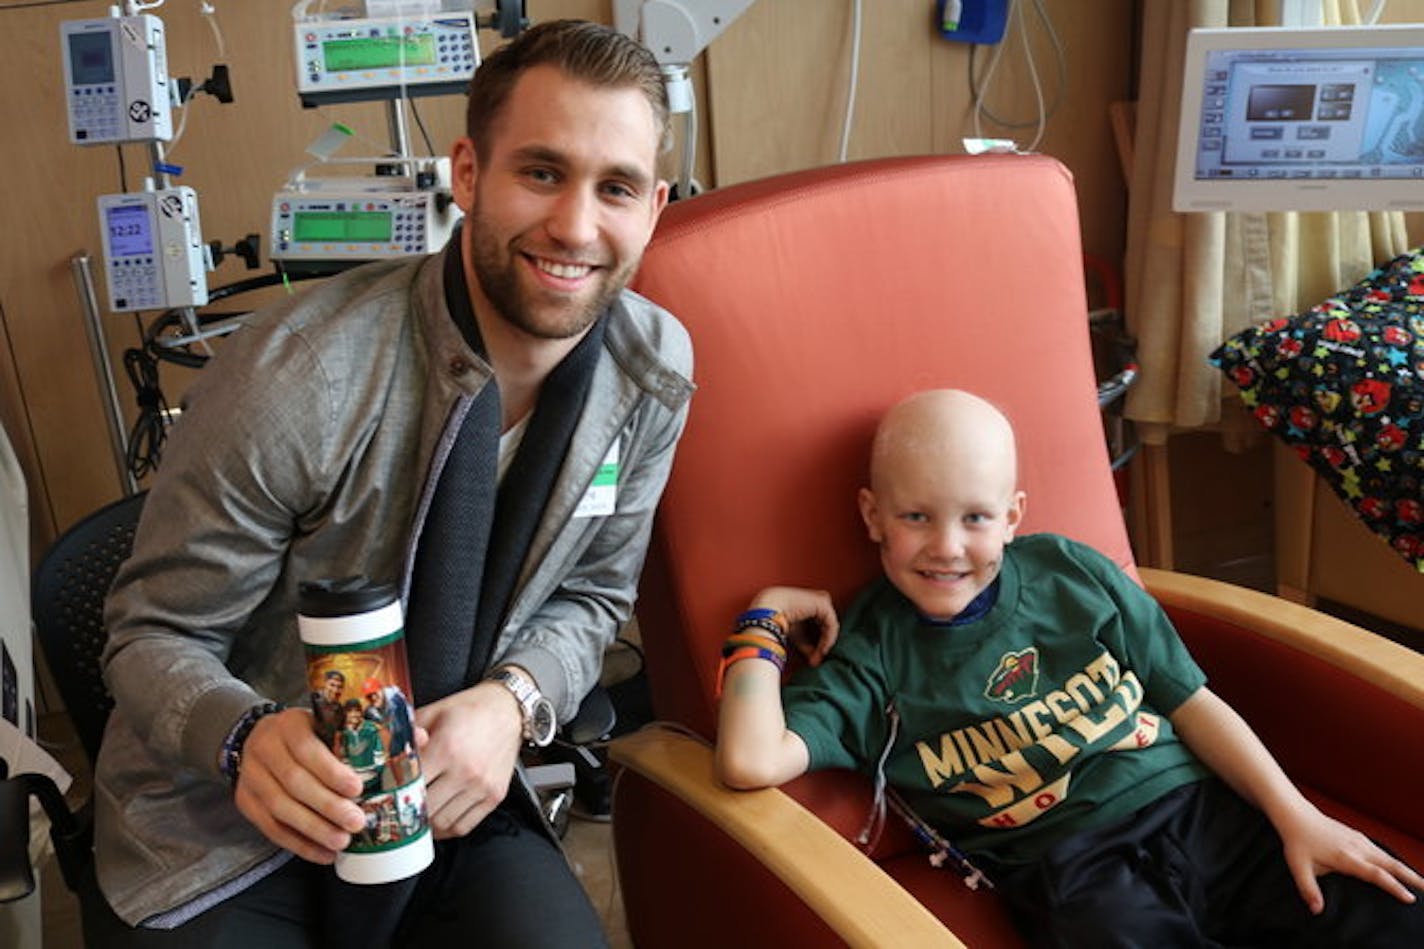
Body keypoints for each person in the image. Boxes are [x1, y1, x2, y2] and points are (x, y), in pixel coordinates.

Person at [92, 19, 691, 947]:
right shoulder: (297, 379)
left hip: (456, 794)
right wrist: (243, 735)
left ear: (653, 207)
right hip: (227, 822)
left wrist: (513, 703)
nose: (576, 225)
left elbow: (593, 597)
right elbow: (149, 633)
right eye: (540, 171)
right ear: (467, 175)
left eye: (613, 187)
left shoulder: (651, 374)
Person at [715, 389, 1423, 948]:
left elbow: (1190, 700)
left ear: (1013, 514)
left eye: (976, 517)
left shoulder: (1069, 572)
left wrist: (1297, 815)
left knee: (1390, 904)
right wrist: (766, 617)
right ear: (872, 515)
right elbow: (748, 760)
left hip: (1200, 809)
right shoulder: (869, 655)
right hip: (1073, 868)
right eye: (915, 516)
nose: (947, 546)